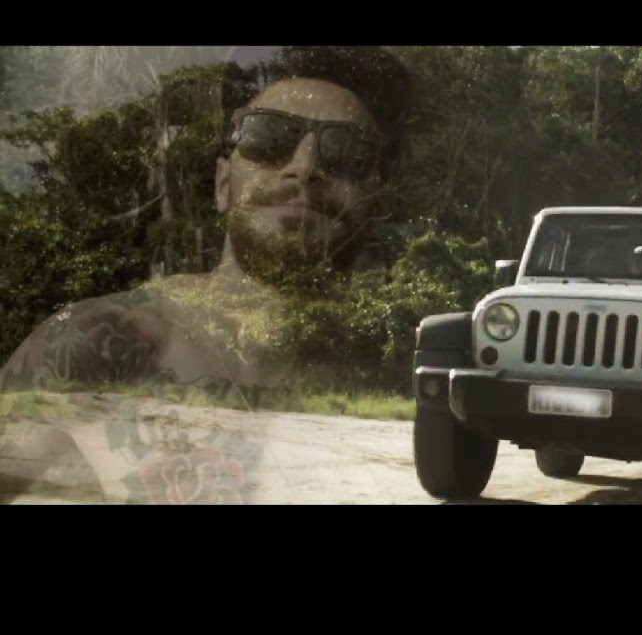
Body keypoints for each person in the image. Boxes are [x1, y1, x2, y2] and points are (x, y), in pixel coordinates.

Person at [0, 46, 413, 503]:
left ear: (378, 206)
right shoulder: (95, 344)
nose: (304, 167)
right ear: (222, 186)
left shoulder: (410, 373)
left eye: (347, 152)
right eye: (269, 138)